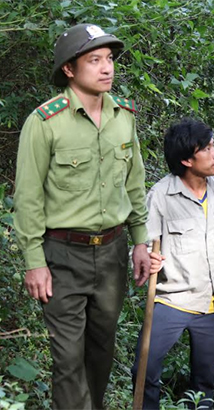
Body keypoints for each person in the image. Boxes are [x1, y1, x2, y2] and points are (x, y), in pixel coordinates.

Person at [13, 23, 151, 409]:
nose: (107, 68)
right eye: (94, 60)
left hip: (112, 252)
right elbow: (27, 198)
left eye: (109, 59)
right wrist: (34, 262)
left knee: (100, 350)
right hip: (62, 254)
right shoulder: (44, 123)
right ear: (70, 69)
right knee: (68, 359)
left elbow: (134, 183)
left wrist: (141, 241)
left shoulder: (124, 117)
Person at [131, 119, 214, 409]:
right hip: (173, 299)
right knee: (145, 369)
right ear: (186, 159)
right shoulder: (161, 195)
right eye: (206, 149)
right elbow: (142, 242)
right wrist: (146, 254)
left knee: (205, 380)